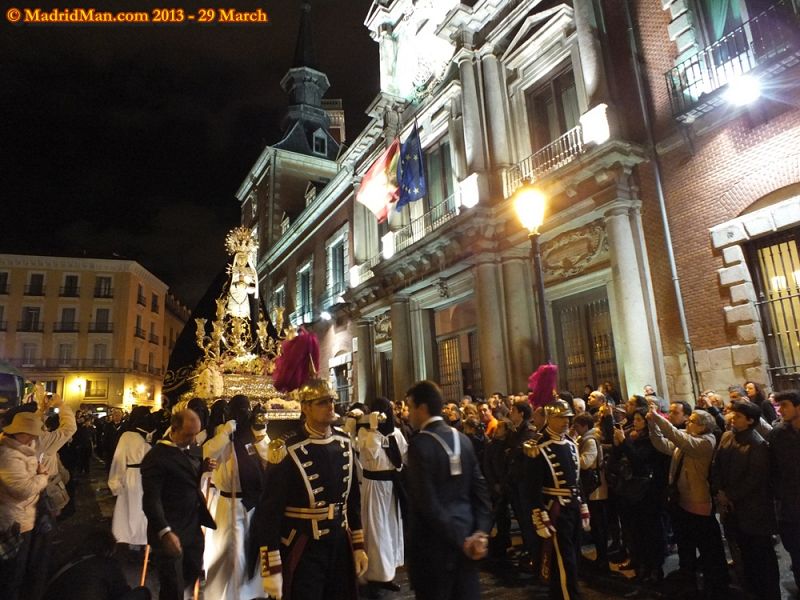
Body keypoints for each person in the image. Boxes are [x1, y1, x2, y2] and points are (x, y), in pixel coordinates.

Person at [251, 379, 367, 600]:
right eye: (322, 402)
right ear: (305, 407)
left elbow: (352, 500)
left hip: (339, 544)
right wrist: (271, 566)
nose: (330, 406)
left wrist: (359, 545)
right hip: (304, 547)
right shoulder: (286, 449)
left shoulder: (344, 443)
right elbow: (269, 512)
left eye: (332, 400)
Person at [404, 380, 491, 600]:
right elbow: (480, 492)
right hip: (468, 541)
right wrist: (480, 533)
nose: (408, 415)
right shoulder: (463, 439)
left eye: (410, 408)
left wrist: (461, 540)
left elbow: (427, 503)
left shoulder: (419, 445)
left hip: (433, 548)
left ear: (422, 408)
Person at [648, 407, 729, 597]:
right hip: (683, 501)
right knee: (686, 545)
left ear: (703, 427)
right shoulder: (689, 439)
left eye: (692, 421)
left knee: (708, 547)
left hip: (698, 502)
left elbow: (677, 437)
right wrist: (653, 425)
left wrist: (658, 418)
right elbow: (662, 444)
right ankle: (689, 581)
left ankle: (715, 585)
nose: (687, 423)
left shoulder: (704, 442)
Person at [141, 408, 215, 600]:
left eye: (196, 434)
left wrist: (203, 468)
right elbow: (151, 498)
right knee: (172, 584)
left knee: (190, 572)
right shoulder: (156, 457)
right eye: (189, 434)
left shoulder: (191, 448)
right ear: (174, 429)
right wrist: (164, 531)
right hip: (171, 529)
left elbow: (188, 476)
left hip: (191, 525)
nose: (193, 440)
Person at [712, 400, 780, 600]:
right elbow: (716, 465)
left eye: (738, 416)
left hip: (754, 510)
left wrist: (731, 495)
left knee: (761, 556)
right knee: (744, 555)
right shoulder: (726, 437)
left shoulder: (757, 444)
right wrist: (720, 491)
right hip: (732, 509)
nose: (732, 418)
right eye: (733, 414)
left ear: (750, 420)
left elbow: (755, 478)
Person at [523, 399, 591, 599]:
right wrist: (539, 515)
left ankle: (566, 592)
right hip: (555, 509)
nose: (566, 422)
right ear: (549, 418)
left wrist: (583, 505)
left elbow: (576, 479)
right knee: (563, 559)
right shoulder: (538, 446)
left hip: (573, 506)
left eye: (568, 418)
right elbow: (532, 487)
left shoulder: (571, 444)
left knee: (574, 556)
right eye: (561, 417)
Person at [203, 395, 269, 600]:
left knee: (252, 548)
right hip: (228, 501)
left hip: (251, 501)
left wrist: (261, 433)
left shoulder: (251, 436)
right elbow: (208, 451)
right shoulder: (223, 434)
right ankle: (230, 593)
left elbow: (268, 457)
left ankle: (252, 591)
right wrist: (225, 433)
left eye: (247, 410)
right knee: (231, 551)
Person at [357, 397, 408, 598]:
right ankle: (373, 573)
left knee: (391, 528)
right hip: (374, 486)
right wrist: (372, 429)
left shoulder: (395, 432)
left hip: (391, 486)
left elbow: (403, 455)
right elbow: (370, 453)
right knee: (376, 529)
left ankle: (388, 573)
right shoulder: (365, 433)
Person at [0, 411, 50, 600]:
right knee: (12, 573)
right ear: (21, 433)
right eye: (30, 434)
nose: (33, 438)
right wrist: (42, 476)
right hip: (13, 523)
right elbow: (23, 489)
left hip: (25, 519)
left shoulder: (24, 450)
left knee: (20, 571)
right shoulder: (9, 456)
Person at [42, 529, 151, 600]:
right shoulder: (107, 564)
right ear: (108, 550)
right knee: (142, 593)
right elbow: (122, 593)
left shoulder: (69, 562)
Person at [108, 407, 154, 548]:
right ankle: (134, 542)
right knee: (134, 509)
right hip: (136, 476)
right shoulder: (129, 435)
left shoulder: (148, 435)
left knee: (141, 510)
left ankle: (142, 541)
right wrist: (115, 481)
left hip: (143, 477)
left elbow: (119, 459)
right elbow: (119, 459)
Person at [768, 390, 800, 594]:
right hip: (791, 506)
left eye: (785, 405)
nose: (780, 410)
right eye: (778, 406)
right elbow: (772, 469)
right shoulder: (778, 433)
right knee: (796, 552)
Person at [573, 413, 609, 573]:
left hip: (596, 490)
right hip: (591, 489)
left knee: (598, 526)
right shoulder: (585, 439)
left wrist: (571, 456)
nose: (575, 429)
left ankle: (603, 559)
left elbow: (586, 463)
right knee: (596, 525)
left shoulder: (589, 441)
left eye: (577, 426)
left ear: (585, 426)